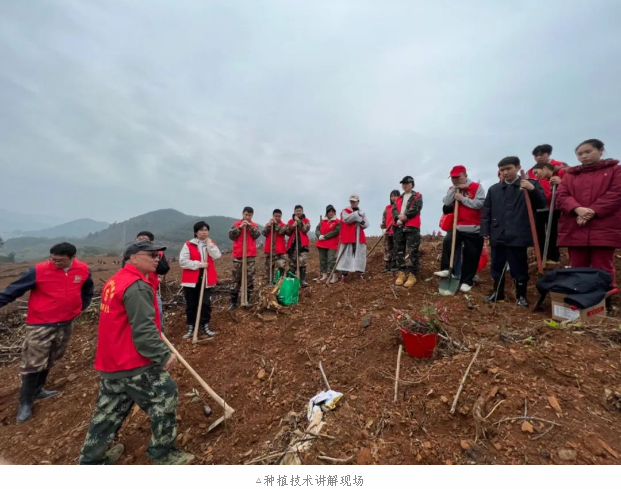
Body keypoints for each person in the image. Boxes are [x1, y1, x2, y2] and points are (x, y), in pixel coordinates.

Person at [79, 241, 194, 465]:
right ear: (132, 257)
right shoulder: (136, 286)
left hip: (111, 362)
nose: (156, 259)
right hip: (133, 361)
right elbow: (143, 329)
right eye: (151, 255)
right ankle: (163, 454)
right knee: (165, 395)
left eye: (158, 255)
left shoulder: (115, 281)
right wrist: (161, 355)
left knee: (108, 413)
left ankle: (91, 461)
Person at [0, 242, 93, 423]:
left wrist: (80, 307)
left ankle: (38, 390)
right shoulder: (39, 270)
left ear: (72, 258)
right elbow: (13, 290)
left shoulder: (83, 270)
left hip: (65, 322)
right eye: (52, 259)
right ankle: (25, 403)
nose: (55, 262)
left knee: (52, 356)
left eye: (60, 260)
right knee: (33, 362)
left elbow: (87, 290)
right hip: (40, 324)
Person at [481, 156, 547, 306]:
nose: (505, 172)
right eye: (502, 170)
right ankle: (497, 293)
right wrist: (485, 231)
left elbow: (542, 203)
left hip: (518, 234)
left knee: (519, 267)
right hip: (498, 234)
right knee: (497, 266)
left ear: (518, 167)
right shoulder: (494, 189)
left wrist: (532, 189)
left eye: (508, 169)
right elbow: (487, 212)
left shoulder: (530, 185)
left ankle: (521, 296)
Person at [556, 139, 621, 290]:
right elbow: (562, 196)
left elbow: (616, 194)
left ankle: (605, 297)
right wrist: (577, 209)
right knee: (577, 266)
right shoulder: (570, 175)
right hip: (575, 225)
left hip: (603, 225)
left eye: (588, 152)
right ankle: (581, 296)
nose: (583, 156)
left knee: (603, 265)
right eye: (579, 154)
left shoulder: (615, 170)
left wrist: (592, 211)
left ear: (600, 150)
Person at [434, 166, 485, 292]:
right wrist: (454, 191)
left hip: (474, 227)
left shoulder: (477, 187)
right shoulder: (452, 188)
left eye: (458, 177)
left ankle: (467, 280)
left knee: (471, 255)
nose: (455, 180)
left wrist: (462, 198)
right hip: (458, 226)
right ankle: (447, 269)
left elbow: (480, 204)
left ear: (465, 175)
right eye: (453, 178)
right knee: (448, 241)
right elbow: (446, 202)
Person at [179, 221, 221, 339]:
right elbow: (183, 261)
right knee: (191, 303)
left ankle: (205, 325)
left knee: (205, 303)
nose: (204, 232)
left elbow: (217, 256)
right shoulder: (188, 244)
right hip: (191, 279)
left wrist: (209, 245)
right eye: (202, 230)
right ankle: (191, 326)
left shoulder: (211, 243)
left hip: (207, 278)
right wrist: (199, 264)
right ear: (196, 232)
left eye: (206, 230)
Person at [528, 145, 566, 265]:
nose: (538, 158)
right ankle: (540, 258)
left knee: (553, 232)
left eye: (541, 155)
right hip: (539, 206)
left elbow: (570, 180)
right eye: (536, 156)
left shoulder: (560, 166)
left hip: (554, 205)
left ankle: (553, 258)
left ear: (548, 154)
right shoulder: (531, 171)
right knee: (538, 233)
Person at [125, 231, 170, 330]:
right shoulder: (131, 254)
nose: (141, 241)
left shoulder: (158, 254)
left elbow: (164, 269)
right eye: (139, 239)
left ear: (151, 242)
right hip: (136, 292)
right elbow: (125, 269)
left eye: (144, 239)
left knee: (157, 317)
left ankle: (159, 336)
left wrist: (154, 258)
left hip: (152, 290)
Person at [392, 176, 423, 288]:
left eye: (407, 183)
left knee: (412, 250)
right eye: (403, 183)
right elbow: (394, 210)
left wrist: (405, 216)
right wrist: (397, 217)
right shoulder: (399, 198)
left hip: (411, 227)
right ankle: (401, 272)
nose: (404, 185)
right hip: (399, 227)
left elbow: (416, 208)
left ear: (412, 184)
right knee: (399, 250)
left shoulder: (417, 196)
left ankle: (412, 274)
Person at [228, 207, 261, 310]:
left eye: (250, 215)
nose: (247, 217)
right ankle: (234, 303)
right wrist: (240, 227)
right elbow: (231, 236)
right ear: (243, 214)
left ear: (252, 216)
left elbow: (256, 235)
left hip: (250, 255)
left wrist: (250, 226)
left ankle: (247, 300)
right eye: (246, 215)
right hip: (238, 254)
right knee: (236, 279)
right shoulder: (236, 224)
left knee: (250, 278)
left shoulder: (254, 226)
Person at [335, 194, 369, 283]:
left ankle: (359, 275)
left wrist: (360, 219)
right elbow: (347, 219)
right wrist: (357, 215)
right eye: (351, 201)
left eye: (354, 201)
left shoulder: (362, 212)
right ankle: (343, 276)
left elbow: (366, 224)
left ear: (358, 202)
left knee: (359, 256)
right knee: (346, 256)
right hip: (348, 237)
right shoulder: (345, 211)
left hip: (358, 237)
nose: (353, 203)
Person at [285, 205, 311, 287]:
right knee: (292, 264)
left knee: (302, 262)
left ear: (302, 212)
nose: (298, 212)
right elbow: (287, 232)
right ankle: (291, 281)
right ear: (294, 212)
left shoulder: (306, 220)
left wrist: (299, 221)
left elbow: (305, 230)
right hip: (292, 246)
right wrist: (292, 226)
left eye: (300, 210)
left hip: (303, 245)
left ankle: (302, 281)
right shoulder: (290, 221)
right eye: (297, 211)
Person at [315, 205, 341, 282]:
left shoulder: (337, 221)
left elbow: (336, 231)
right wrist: (319, 235)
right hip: (322, 243)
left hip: (332, 243)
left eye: (332, 211)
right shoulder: (322, 221)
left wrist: (325, 236)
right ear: (326, 212)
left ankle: (335, 276)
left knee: (331, 259)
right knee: (323, 260)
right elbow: (317, 229)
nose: (331, 213)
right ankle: (324, 274)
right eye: (329, 211)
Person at [262, 209, 288, 283]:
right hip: (269, 250)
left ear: (281, 217)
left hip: (280, 250)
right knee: (269, 267)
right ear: (273, 216)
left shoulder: (283, 225)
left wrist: (276, 224)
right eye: (275, 216)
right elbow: (264, 233)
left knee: (281, 266)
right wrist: (269, 226)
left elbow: (280, 232)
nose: (277, 218)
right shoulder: (268, 224)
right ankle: (270, 281)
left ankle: (280, 282)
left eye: (278, 216)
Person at [380, 190, 401, 273]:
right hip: (388, 232)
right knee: (388, 248)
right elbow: (384, 218)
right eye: (391, 196)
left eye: (395, 196)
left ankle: (394, 265)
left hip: (396, 231)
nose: (393, 198)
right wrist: (383, 228)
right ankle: (387, 266)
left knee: (396, 248)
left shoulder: (400, 208)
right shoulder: (388, 207)